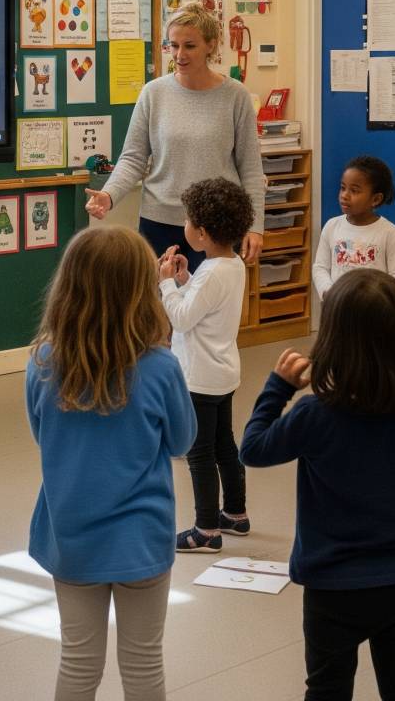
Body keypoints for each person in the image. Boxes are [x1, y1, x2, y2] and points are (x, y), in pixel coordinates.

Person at [240, 269, 395, 701]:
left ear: (333, 343)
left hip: (331, 587)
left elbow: (253, 449)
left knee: (326, 688)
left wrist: (277, 389)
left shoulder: (315, 415)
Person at [26, 226, 196, 701]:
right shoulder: (161, 367)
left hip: (70, 537)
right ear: (142, 292)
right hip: (141, 541)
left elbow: (43, 436)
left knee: (78, 664)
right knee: (144, 665)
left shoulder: (41, 360)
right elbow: (182, 442)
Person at [83, 2, 266, 268]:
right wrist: (108, 195)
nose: (179, 54)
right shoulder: (153, 93)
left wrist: (255, 225)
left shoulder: (235, 96)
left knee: (210, 308)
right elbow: (133, 158)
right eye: (173, 45)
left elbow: (250, 167)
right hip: (159, 224)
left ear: (211, 45)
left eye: (189, 46)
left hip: (217, 227)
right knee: (158, 306)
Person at [158, 177, 253, 553]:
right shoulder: (230, 265)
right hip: (223, 373)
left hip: (199, 378)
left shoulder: (212, 273)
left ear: (200, 232)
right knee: (225, 446)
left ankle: (206, 529)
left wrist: (166, 283)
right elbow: (203, 306)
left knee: (200, 455)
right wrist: (184, 279)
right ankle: (235, 513)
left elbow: (181, 318)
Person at [312, 155, 395, 299]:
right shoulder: (332, 226)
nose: (344, 195)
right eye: (343, 188)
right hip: (339, 309)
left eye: (354, 191)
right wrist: (329, 292)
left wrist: (382, 301)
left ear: (376, 199)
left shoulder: (388, 232)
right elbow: (320, 267)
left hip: (373, 311)